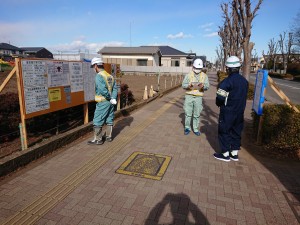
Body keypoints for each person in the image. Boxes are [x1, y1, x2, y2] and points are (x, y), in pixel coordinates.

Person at [214, 56, 249, 161]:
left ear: (228, 68)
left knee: (224, 131)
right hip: (240, 112)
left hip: (228, 112)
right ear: (239, 67)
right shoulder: (245, 82)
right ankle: (234, 153)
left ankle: (225, 154)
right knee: (236, 131)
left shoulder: (226, 82)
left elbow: (219, 99)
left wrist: (218, 103)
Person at [88, 57, 118, 145]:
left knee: (97, 120)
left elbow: (102, 90)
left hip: (103, 102)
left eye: (93, 66)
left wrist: (109, 97)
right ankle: (108, 137)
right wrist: (113, 98)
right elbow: (115, 89)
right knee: (109, 118)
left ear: (96, 65)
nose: (94, 68)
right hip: (111, 102)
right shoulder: (110, 76)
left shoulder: (99, 76)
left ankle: (98, 139)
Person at [182, 58, 210, 136]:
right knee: (188, 113)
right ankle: (187, 128)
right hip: (189, 96)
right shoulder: (188, 75)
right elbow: (183, 85)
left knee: (197, 114)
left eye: (199, 68)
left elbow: (207, 86)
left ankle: (195, 128)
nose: (197, 69)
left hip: (198, 97)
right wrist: (188, 86)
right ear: (193, 67)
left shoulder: (204, 76)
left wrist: (203, 86)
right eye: (196, 68)